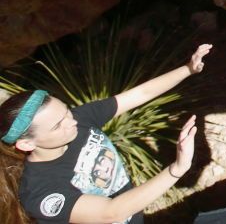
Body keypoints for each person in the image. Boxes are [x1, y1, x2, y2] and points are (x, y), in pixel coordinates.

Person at [0, 43, 212, 223]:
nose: (71, 121)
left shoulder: (77, 121)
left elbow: (140, 94)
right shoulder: (40, 192)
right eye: (57, 126)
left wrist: (188, 69)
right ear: (27, 144)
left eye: (66, 111)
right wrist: (177, 168)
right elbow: (110, 212)